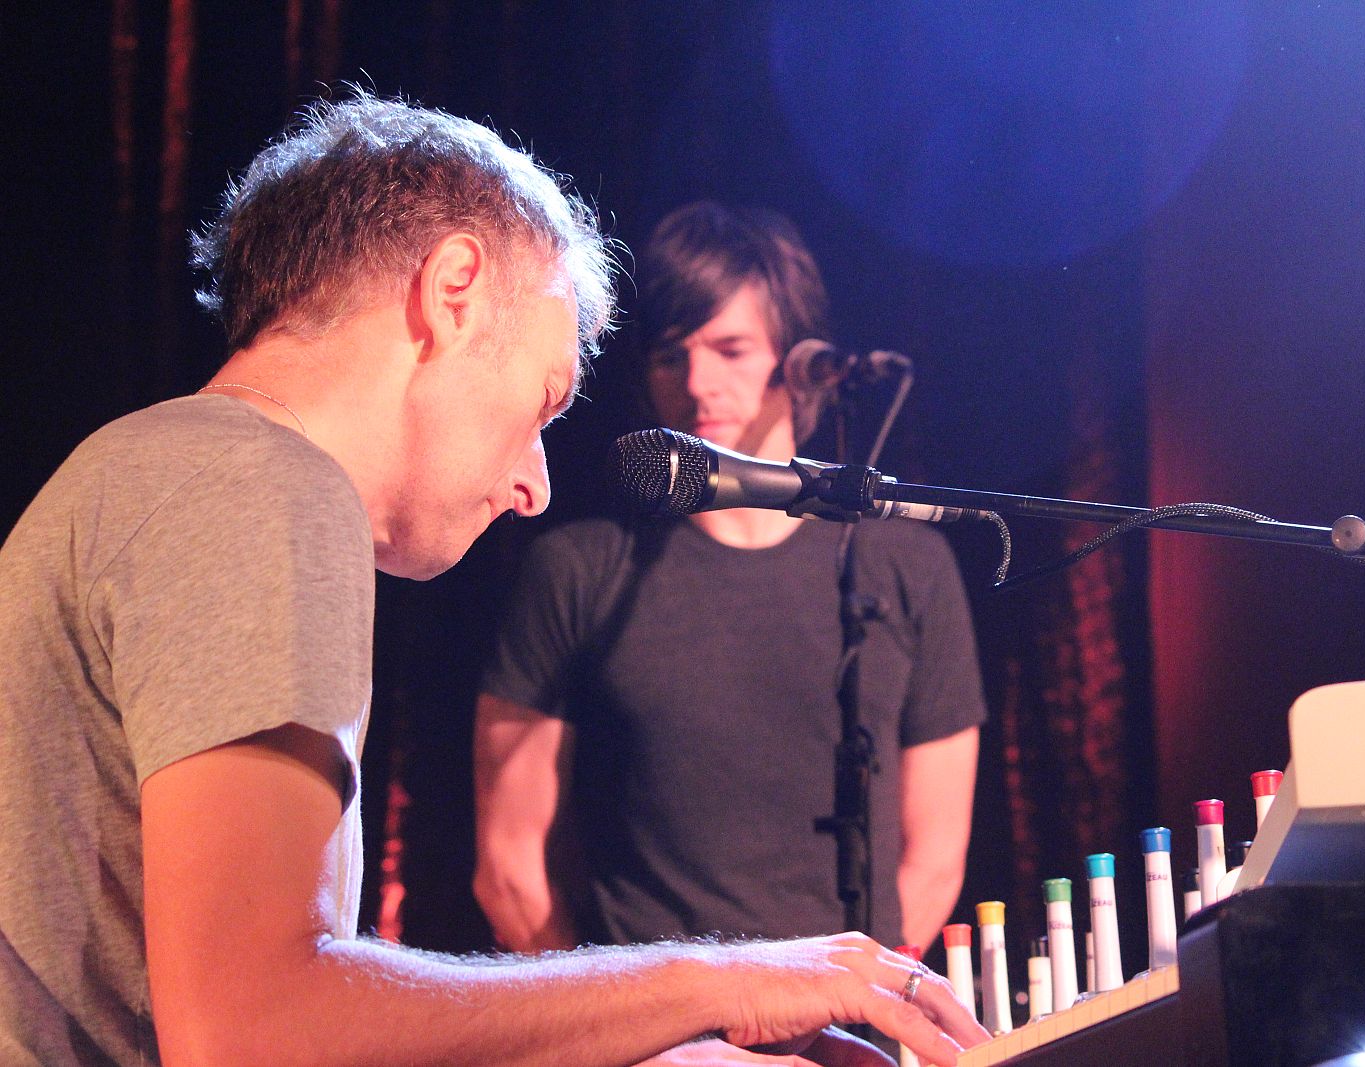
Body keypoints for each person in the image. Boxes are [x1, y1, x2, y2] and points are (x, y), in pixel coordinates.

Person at [0, 95, 987, 1067]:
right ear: (452, 290)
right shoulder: (259, 481)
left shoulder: (171, 466)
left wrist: (664, 1051)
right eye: (542, 403)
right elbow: (254, 1028)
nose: (532, 483)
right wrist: (720, 981)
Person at [473, 202, 985, 961]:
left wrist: (836, 1017)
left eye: (731, 348)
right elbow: (510, 868)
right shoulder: (577, 570)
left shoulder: (908, 566)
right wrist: (627, 1036)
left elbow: (934, 856)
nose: (697, 382)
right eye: (670, 355)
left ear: (802, 361)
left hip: (849, 1039)